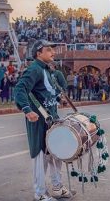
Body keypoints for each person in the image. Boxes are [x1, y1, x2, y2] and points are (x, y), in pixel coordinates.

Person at [14, 40, 71, 201]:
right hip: (39, 121)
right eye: (48, 50)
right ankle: (39, 193)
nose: (53, 52)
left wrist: (60, 99)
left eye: (53, 49)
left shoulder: (46, 70)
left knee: (55, 154)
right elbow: (20, 88)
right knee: (41, 157)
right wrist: (27, 109)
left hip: (52, 119)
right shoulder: (34, 69)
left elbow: (48, 91)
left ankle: (57, 187)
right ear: (39, 53)